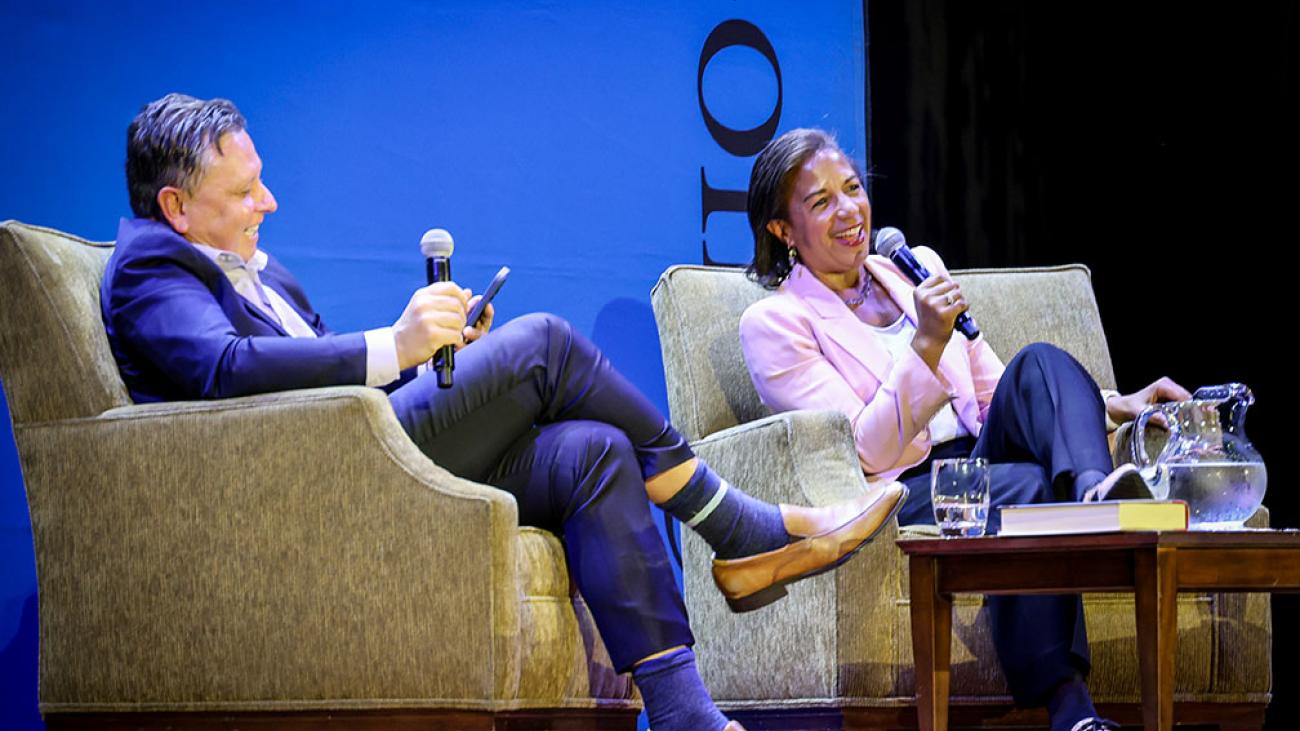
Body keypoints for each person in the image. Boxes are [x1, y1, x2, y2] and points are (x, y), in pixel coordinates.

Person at [100, 95, 908, 731]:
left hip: (355, 441)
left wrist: (426, 350)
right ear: (176, 205)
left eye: (261, 181)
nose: (268, 202)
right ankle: (732, 525)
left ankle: (683, 710)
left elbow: (319, 373)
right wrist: (395, 342)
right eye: (244, 191)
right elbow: (225, 370)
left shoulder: (258, 270)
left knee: (593, 450)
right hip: (314, 483)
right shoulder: (148, 269)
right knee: (546, 341)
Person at [738, 128, 1191, 731]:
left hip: (977, 455)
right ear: (782, 230)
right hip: (901, 487)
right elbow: (864, 450)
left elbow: (994, 390)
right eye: (821, 202)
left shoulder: (915, 270)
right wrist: (926, 342)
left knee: (1039, 362)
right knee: (1027, 488)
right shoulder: (776, 323)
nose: (849, 211)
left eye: (852, 189)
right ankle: (1072, 709)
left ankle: (1093, 494)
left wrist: (1112, 405)